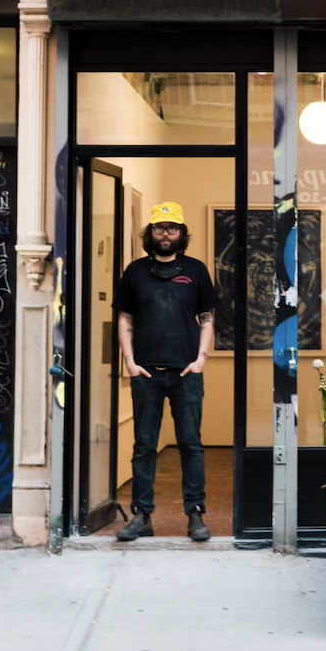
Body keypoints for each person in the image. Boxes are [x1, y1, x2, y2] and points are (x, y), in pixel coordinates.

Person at [114, 200, 215, 542]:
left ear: (182, 234)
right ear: (151, 233)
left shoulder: (197, 271)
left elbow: (208, 320)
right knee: (144, 445)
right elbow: (124, 319)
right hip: (146, 374)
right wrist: (130, 361)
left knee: (190, 445)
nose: (165, 234)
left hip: (186, 374)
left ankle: (195, 515)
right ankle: (142, 516)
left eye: (172, 228)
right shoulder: (135, 272)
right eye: (159, 228)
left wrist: (201, 359)